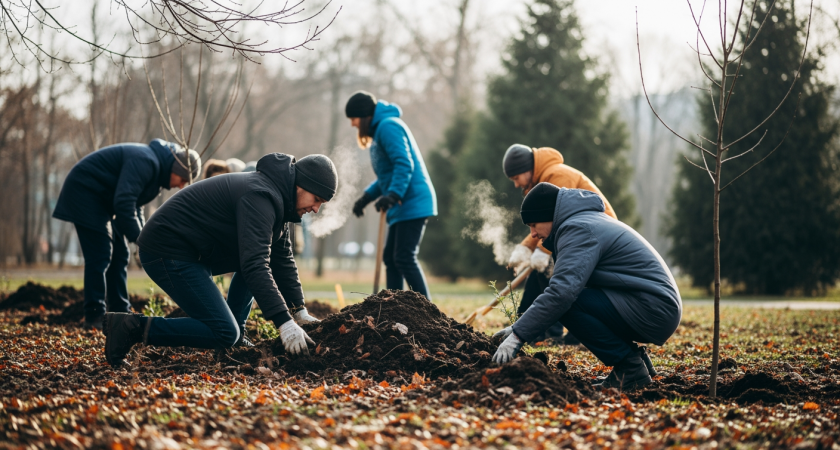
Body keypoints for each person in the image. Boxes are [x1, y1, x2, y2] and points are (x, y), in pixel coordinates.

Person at [102, 153, 337, 367]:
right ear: (300, 184)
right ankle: (131, 328)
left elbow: (282, 259)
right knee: (224, 331)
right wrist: (284, 323)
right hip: (167, 249)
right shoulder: (261, 197)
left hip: (191, 252)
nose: (316, 209)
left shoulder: (277, 202)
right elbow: (255, 265)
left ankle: (235, 338)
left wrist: (298, 311)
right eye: (316, 199)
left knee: (255, 266)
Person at [492, 184, 682, 391]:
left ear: (548, 215)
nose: (533, 234)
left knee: (567, 305)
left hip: (653, 308)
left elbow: (561, 294)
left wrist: (518, 335)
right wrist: (519, 327)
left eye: (534, 224)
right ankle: (638, 362)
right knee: (575, 299)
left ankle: (630, 368)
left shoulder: (578, 229)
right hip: (653, 304)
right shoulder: (584, 221)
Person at [52, 139, 200, 330]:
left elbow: (135, 206)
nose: (181, 186)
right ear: (176, 169)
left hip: (104, 201)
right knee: (101, 253)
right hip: (85, 191)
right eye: (183, 180)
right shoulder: (146, 162)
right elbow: (124, 203)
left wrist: (144, 238)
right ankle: (95, 317)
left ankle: (121, 312)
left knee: (120, 254)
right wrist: (141, 241)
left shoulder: (155, 171)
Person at [503, 144, 618, 345]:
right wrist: (526, 248)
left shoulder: (557, 175)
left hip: (596, 236)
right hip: (579, 234)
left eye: (516, 178)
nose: (516, 184)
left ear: (527, 169)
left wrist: (542, 250)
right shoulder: (544, 178)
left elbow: (554, 220)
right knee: (537, 273)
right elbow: (541, 223)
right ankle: (525, 328)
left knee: (548, 271)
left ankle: (552, 333)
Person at [347, 91, 437, 300]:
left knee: (404, 257)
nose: (352, 124)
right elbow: (386, 177)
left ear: (364, 115)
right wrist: (366, 197)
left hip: (412, 201)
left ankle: (428, 311)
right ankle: (394, 307)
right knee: (392, 259)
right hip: (403, 203)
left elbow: (403, 163)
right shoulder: (380, 130)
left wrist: (394, 194)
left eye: (354, 118)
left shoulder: (388, 127)